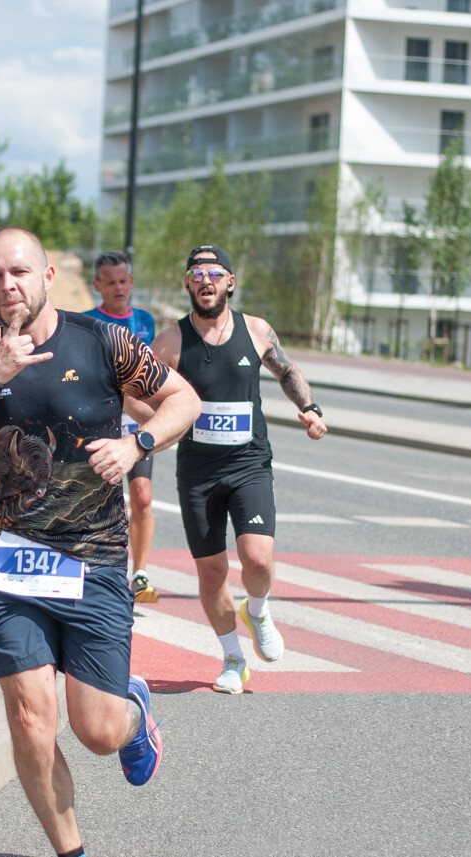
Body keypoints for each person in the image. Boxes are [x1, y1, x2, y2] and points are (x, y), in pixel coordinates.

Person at [0, 227, 200, 857]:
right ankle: (70, 852)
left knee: (97, 731)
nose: (7, 285)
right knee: (28, 719)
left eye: (19, 272)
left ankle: (133, 713)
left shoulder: (103, 340)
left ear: (48, 276)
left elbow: (184, 399)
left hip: (96, 560)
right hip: (15, 561)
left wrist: (138, 444)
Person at [150, 244, 327, 695]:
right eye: (196, 274)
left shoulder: (256, 330)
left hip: (249, 463)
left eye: (214, 273)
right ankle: (233, 658)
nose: (205, 281)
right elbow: (136, 391)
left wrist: (308, 407)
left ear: (230, 282)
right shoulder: (171, 342)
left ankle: (259, 609)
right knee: (211, 574)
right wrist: (154, 431)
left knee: (257, 558)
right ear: (187, 284)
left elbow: (287, 370)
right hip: (198, 471)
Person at [84, 250, 159, 602]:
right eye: (109, 282)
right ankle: (102, 569)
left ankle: (140, 573)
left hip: (138, 423)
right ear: (98, 285)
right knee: (105, 500)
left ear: (131, 281)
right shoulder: (86, 321)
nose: (118, 287)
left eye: (122, 281)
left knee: (142, 495)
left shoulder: (145, 320)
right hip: (102, 422)